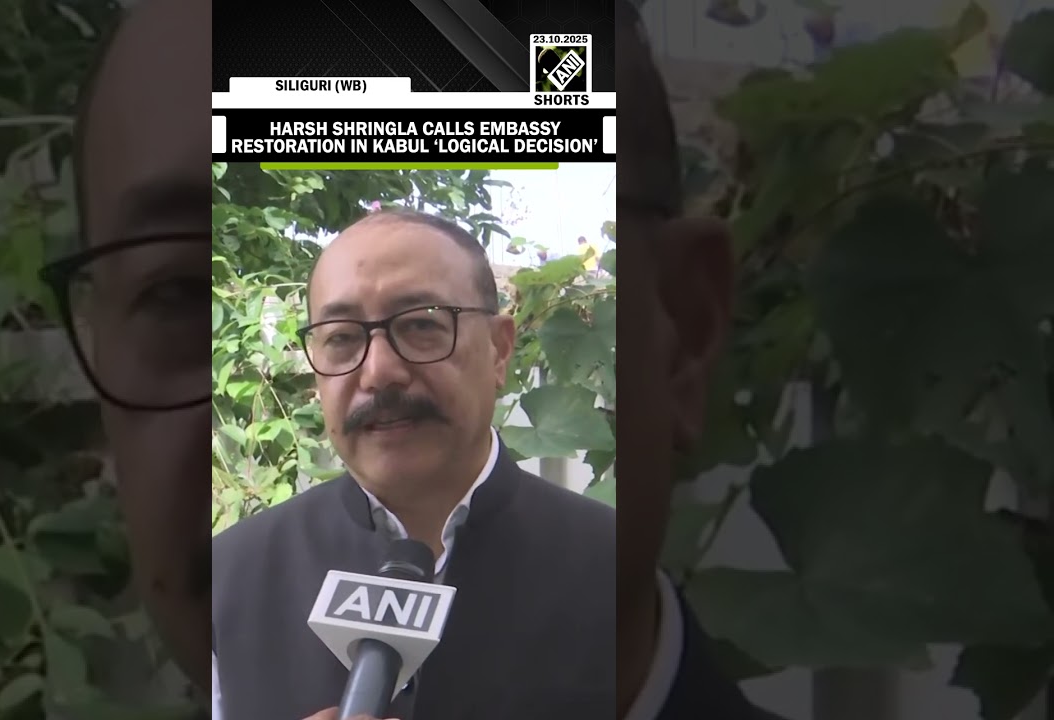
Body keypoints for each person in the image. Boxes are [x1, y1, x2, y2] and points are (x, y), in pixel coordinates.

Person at [43, 0, 763, 717]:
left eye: (422, 325)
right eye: (177, 294)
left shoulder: (590, 545)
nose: (379, 373)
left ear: (683, 335)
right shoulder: (242, 564)